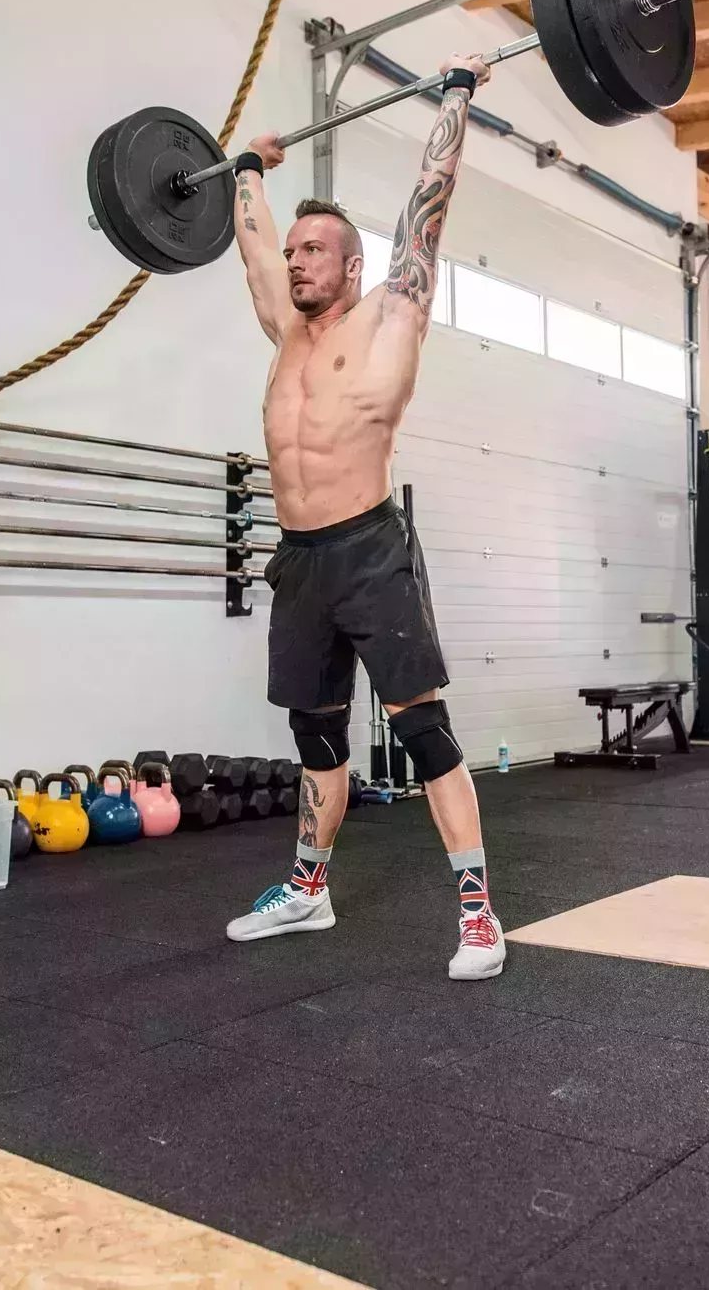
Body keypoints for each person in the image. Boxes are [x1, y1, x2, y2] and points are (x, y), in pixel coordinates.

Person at [221, 54, 503, 980]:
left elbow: (434, 193)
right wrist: (249, 171)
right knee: (315, 733)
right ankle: (309, 888)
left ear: (352, 264)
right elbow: (251, 242)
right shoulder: (284, 330)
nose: (296, 261)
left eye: (314, 251)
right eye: (294, 250)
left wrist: (454, 94)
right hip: (299, 561)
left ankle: (476, 912)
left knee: (422, 728)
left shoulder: (394, 315)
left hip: (372, 550)